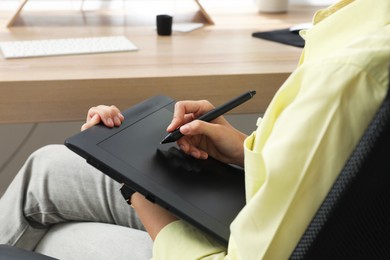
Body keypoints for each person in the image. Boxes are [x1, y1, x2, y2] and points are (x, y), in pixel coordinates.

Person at [1, 0, 389, 259]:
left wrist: (136, 188)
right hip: (259, 214)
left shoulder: (349, 69)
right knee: (47, 165)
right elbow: (335, 170)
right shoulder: (358, 25)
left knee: (53, 238)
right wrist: (242, 148)